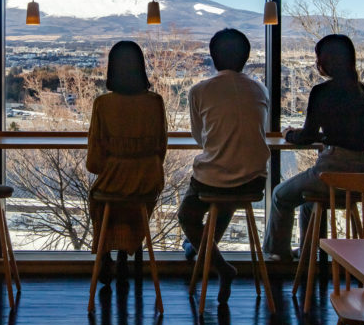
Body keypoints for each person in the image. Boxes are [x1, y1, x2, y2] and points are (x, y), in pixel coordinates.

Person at [263, 34, 364, 262]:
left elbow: (307, 136)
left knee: (280, 195)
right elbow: (349, 132)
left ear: (326, 61)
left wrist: (288, 134)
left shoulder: (321, 92)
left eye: (318, 57)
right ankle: (308, 254)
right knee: (309, 203)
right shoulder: (362, 91)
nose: (316, 62)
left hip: (333, 171)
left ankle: (277, 255)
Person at [178, 28, 269, 304]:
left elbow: (199, 137)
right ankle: (202, 251)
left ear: (213, 57)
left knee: (187, 215)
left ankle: (219, 265)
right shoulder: (259, 88)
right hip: (254, 179)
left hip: (215, 179)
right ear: (246, 58)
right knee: (227, 197)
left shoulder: (200, 91)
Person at [87, 40, 167, 284]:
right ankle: (127, 251)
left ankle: (105, 254)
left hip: (113, 181)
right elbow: (161, 147)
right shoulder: (155, 103)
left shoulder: (103, 104)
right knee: (135, 203)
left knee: (102, 198)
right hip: (148, 180)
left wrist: (114, 165)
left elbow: (94, 162)